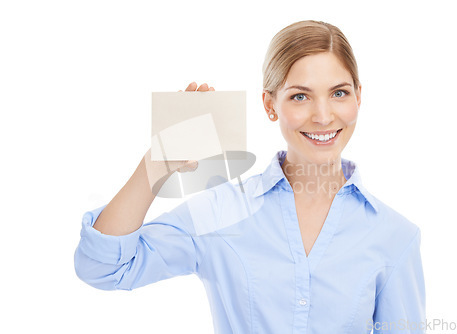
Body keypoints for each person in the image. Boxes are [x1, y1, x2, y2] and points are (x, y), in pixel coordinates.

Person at [74, 19, 426, 333]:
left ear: (358, 97)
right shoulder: (221, 212)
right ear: (270, 105)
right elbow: (103, 268)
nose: (323, 116)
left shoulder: (394, 236)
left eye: (339, 93)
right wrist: (157, 163)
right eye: (300, 96)